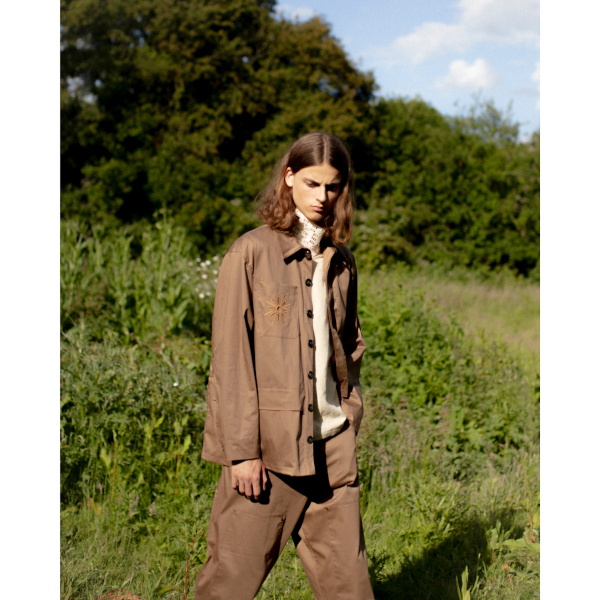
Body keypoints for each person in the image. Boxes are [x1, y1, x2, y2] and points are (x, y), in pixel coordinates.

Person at [195, 132, 374, 600]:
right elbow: (231, 360)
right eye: (312, 183)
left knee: (350, 589)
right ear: (289, 177)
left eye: (333, 186)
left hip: (332, 449)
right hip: (269, 453)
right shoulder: (250, 252)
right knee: (229, 585)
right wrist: (241, 453)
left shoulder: (341, 261)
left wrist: (350, 411)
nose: (323, 197)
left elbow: (349, 348)